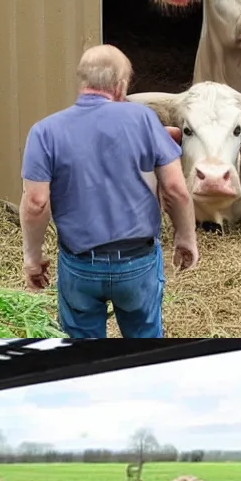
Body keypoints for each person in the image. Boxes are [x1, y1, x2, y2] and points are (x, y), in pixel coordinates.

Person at [20, 44, 198, 340]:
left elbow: (36, 202)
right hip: (137, 262)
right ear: (121, 85)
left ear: (83, 81)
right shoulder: (143, 120)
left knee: (84, 359)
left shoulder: (45, 131)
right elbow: (176, 189)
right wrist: (185, 237)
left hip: (80, 264)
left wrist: (33, 258)